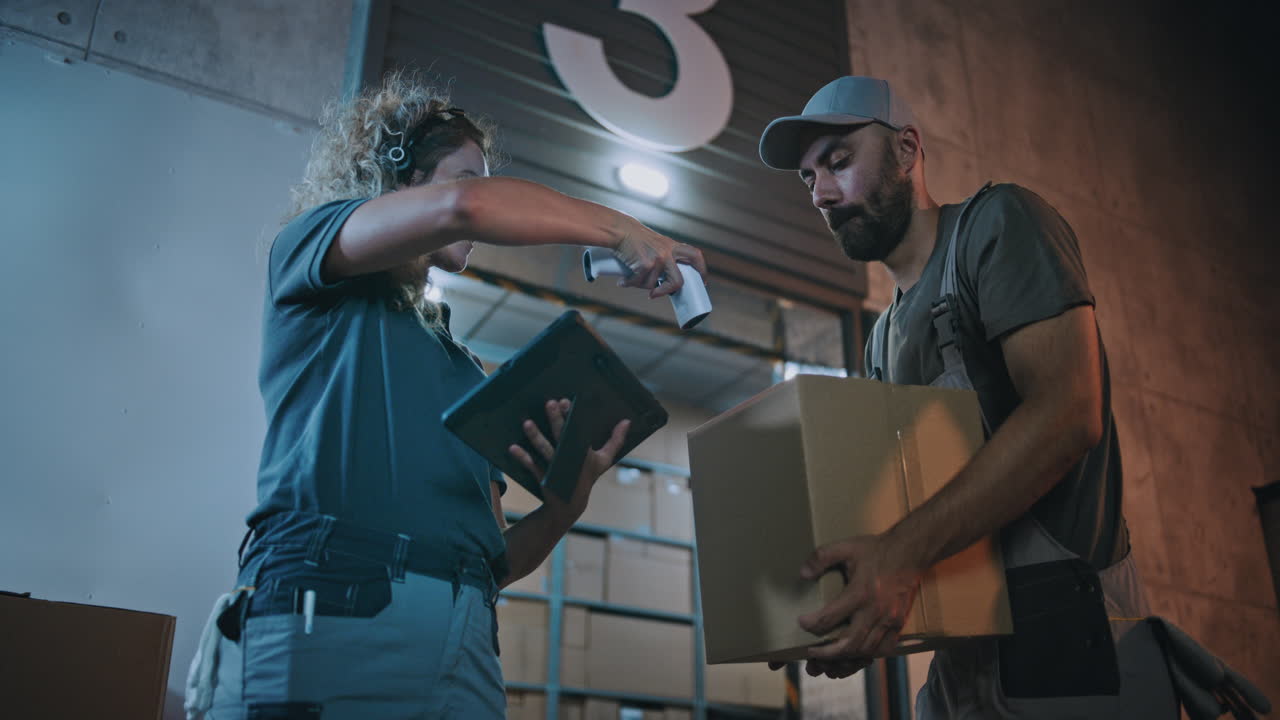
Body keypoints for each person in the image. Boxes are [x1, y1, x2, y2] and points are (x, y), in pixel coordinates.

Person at [187, 71, 706, 719]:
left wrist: (562, 510)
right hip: (333, 603)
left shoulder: (464, 372)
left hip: (465, 639)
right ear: (399, 182)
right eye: (465, 175)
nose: (479, 196)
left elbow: (494, 561)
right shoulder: (313, 249)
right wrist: (623, 230)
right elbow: (461, 210)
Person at [756, 77, 1175, 717]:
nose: (823, 194)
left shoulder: (999, 225)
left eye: (839, 163)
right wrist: (848, 609)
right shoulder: (881, 339)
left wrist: (900, 552)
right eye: (809, 179)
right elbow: (905, 520)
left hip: (1075, 651)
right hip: (962, 669)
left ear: (906, 150)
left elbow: (1067, 416)